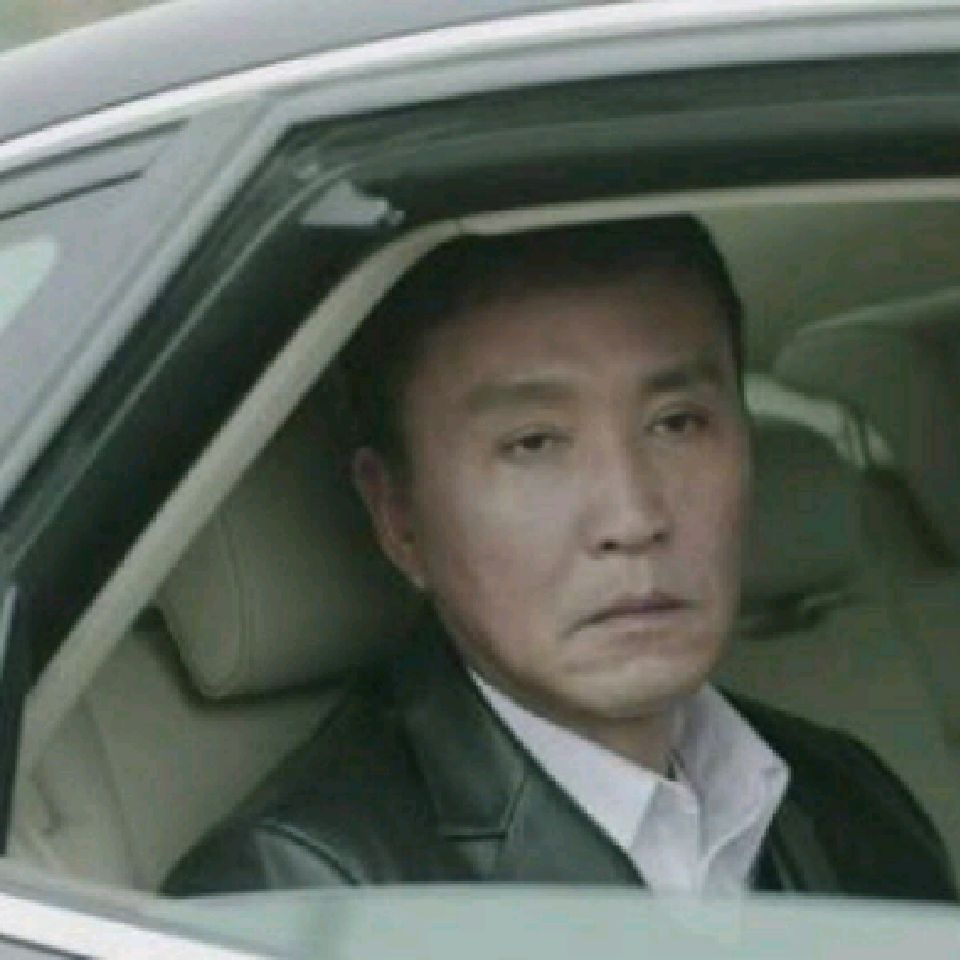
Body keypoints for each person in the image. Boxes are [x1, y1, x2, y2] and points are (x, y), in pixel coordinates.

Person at [165, 217, 956, 899]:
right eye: (533, 443)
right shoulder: (303, 896)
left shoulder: (844, 791)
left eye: (677, 422)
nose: (633, 517)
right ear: (397, 515)